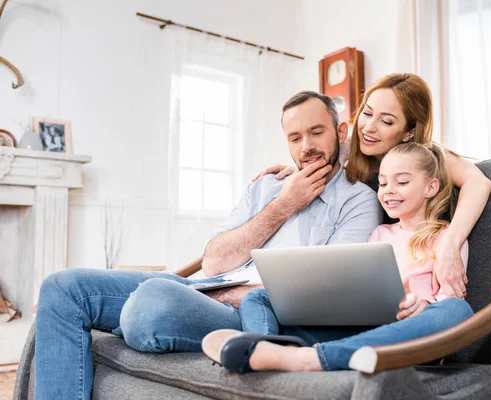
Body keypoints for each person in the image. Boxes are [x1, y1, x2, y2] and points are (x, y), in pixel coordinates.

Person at [33, 91, 381, 399]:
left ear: (340, 132)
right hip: (206, 288)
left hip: (253, 311)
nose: (306, 146)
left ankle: (139, 314)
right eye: (295, 137)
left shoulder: (358, 201)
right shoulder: (267, 189)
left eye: (317, 132)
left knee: (151, 303)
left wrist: (225, 294)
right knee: (62, 288)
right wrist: (283, 205)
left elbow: (324, 291)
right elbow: (213, 262)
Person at [202, 142, 473, 373]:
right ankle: (267, 349)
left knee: (458, 312)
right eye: (382, 183)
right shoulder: (380, 232)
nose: (389, 190)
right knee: (258, 296)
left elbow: (450, 300)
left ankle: (301, 358)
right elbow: (358, 286)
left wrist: (423, 306)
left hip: (411, 338)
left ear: (431, 187)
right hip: (360, 331)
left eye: (402, 182)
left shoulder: (448, 238)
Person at [252, 73, 491, 299]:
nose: (368, 127)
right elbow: (317, 152)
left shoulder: (425, 157)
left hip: (418, 274)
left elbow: (478, 182)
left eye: (386, 121)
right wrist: (294, 170)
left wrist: (450, 246)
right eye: (367, 113)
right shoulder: (351, 147)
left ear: (409, 132)